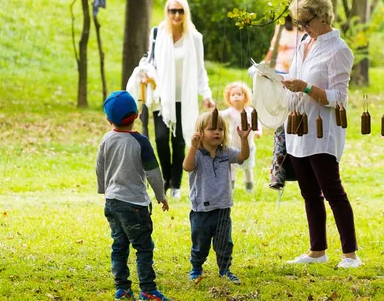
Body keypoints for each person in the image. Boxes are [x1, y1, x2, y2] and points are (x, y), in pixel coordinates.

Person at [281, 0, 361, 268]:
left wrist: (304, 87)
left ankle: (350, 254)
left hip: (322, 129)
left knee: (333, 191)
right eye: (299, 22)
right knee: (308, 193)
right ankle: (318, 250)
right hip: (298, 126)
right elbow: (295, 76)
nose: (302, 27)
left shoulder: (340, 50)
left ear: (323, 15)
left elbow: (339, 97)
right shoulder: (304, 42)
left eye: (306, 21)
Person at [96, 90, 170, 301]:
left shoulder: (106, 140)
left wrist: (104, 189)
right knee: (143, 247)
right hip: (135, 205)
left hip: (112, 203)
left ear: (109, 119)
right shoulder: (141, 142)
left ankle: (122, 288)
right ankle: (147, 289)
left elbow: (99, 167)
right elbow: (153, 172)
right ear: (137, 114)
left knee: (119, 245)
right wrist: (160, 195)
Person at [151, 0, 215, 200]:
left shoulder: (194, 38)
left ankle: (176, 184)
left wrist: (206, 94)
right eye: (172, 11)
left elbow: (200, 70)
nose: (176, 15)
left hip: (183, 99)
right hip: (162, 98)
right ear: (167, 12)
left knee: (179, 142)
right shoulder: (157, 33)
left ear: (185, 12)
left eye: (180, 11)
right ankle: (166, 178)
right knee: (161, 139)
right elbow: (151, 63)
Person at [182, 111, 250, 284]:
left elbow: (243, 157)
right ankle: (196, 268)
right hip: (201, 210)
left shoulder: (225, 152)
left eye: (220, 128)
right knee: (200, 242)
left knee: (224, 242)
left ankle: (225, 269)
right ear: (200, 133)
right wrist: (192, 147)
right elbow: (187, 167)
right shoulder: (196, 153)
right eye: (212, 129)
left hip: (222, 207)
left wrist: (243, 138)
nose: (217, 132)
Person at [220, 81, 262, 193]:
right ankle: (231, 188)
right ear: (229, 98)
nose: (236, 96)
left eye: (239, 94)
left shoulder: (250, 111)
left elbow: (257, 123)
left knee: (247, 168)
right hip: (233, 145)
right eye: (233, 95)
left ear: (246, 96)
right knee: (231, 167)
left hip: (248, 146)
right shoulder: (230, 112)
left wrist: (258, 131)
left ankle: (249, 188)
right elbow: (220, 115)